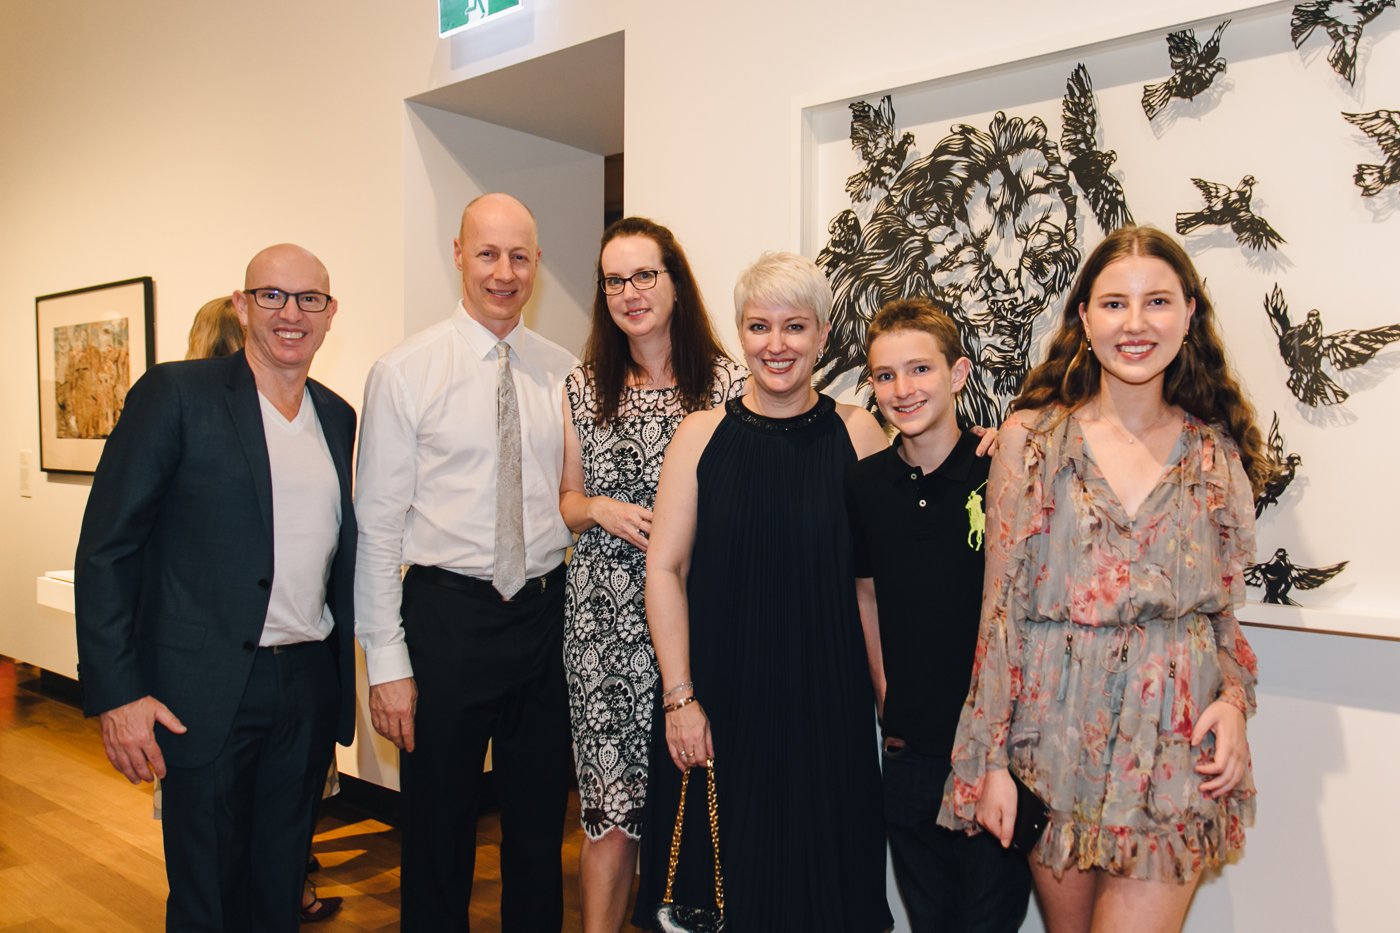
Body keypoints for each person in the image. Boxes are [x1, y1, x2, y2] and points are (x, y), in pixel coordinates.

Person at [939, 225, 1267, 933]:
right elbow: (1000, 612)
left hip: (1173, 741)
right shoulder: (1031, 439)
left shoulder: (1215, 453)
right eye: (1114, 303)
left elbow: (1221, 616)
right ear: (1084, 317)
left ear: (1188, 314)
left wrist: (1235, 702)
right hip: (1054, 742)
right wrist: (991, 758)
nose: (1136, 322)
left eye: (1157, 301)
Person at [74, 244, 358, 931]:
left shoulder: (339, 416)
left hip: (307, 685)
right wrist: (118, 692)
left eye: (308, 299)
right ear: (241, 304)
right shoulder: (177, 395)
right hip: (203, 690)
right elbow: (108, 548)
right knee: (207, 892)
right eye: (272, 295)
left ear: (329, 314)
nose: (291, 313)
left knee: (281, 879)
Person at [637, 251, 894, 931]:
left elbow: (890, 567)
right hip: (720, 707)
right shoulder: (699, 436)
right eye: (759, 326)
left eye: (795, 326)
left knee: (826, 895)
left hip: (827, 711)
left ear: (823, 334)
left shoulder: (860, 432)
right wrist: (680, 697)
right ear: (740, 331)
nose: (776, 345)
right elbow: (663, 569)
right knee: (725, 892)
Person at [355, 192, 577, 931]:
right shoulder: (405, 371)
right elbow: (378, 528)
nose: (504, 272)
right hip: (447, 619)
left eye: (519, 256)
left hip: (546, 615)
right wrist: (386, 661)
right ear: (458, 254)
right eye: (488, 253)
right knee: (438, 828)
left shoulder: (565, 373)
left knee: (541, 829)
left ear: (537, 264)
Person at [560, 217, 746, 931]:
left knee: (702, 802)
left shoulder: (729, 381)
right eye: (615, 280)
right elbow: (566, 503)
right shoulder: (583, 385)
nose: (631, 292)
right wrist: (599, 507)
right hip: (601, 624)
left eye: (646, 275)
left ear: (675, 281)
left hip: (698, 615)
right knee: (608, 816)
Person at [845, 298, 1031, 932]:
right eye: (886, 375)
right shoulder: (864, 485)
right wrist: (885, 697)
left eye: (920, 370)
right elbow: (865, 593)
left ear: (958, 374)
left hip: (995, 754)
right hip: (909, 755)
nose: (903, 389)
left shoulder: (999, 469)